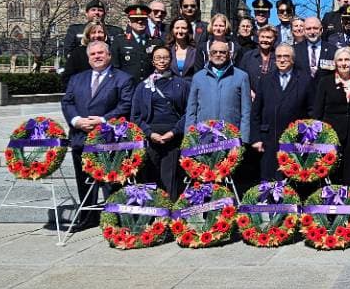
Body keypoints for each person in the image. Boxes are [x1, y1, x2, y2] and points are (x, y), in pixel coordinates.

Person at [61, 40, 133, 227]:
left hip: (108, 139)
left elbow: (125, 105)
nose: (97, 56)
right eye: (93, 54)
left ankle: (114, 218)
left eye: (101, 53)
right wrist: (77, 120)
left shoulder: (122, 78)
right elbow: (67, 102)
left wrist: (102, 120)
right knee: (83, 180)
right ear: (88, 58)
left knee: (111, 181)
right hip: (80, 137)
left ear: (109, 55)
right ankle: (87, 217)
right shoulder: (77, 78)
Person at [185, 39, 252, 188]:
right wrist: (188, 138)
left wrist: (244, 139)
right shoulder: (198, 77)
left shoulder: (241, 77)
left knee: (229, 182)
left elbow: (246, 111)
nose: (218, 55)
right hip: (203, 139)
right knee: (205, 180)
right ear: (209, 55)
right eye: (215, 52)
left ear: (230, 54)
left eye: (223, 52)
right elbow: (191, 110)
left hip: (231, 139)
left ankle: (229, 209)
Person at [130, 45, 188, 197]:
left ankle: (169, 217)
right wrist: (149, 133)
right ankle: (151, 215)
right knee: (150, 177)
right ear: (153, 61)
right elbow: (135, 116)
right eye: (158, 58)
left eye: (165, 58)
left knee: (171, 178)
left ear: (171, 60)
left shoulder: (182, 84)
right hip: (150, 136)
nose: (162, 61)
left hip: (173, 136)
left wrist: (174, 132)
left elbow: (189, 112)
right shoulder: (143, 86)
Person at [311, 47, 350, 189]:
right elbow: (317, 111)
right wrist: (316, 136)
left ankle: (349, 205)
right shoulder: (325, 82)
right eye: (340, 60)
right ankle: (332, 206)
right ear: (335, 63)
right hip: (332, 135)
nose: (344, 63)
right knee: (332, 173)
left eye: (347, 59)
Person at [251, 43, 313, 181]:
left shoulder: (305, 80)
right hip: (268, 139)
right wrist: (256, 138)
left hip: (295, 140)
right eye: (279, 56)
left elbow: (311, 112)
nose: (282, 60)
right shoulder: (265, 80)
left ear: (293, 59)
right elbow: (256, 112)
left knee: (290, 181)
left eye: (286, 56)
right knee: (269, 180)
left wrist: (308, 138)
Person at [110, 4, 164, 85]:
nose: (140, 21)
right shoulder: (119, 41)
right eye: (135, 19)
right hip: (127, 87)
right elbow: (115, 67)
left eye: (143, 19)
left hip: (150, 86)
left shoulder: (156, 42)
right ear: (129, 22)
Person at [294, 16, 337, 83]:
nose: (312, 32)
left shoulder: (333, 50)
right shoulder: (294, 50)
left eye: (315, 28)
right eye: (308, 29)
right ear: (304, 31)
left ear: (321, 30)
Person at [239, 25, 277, 95]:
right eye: (262, 37)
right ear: (258, 38)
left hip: (274, 98)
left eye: (269, 37)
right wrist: (249, 91)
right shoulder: (248, 56)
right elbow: (240, 78)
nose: (265, 40)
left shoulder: (279, 56)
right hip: (251, 98)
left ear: (274, 39)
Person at [167, 17, 200, 83]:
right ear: (172, 30)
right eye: (177, 28)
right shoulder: (167, 51)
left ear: (188, 31)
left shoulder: (195, 51)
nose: (180, 31)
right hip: (172, 89)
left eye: (184, 28)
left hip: (190, 88)